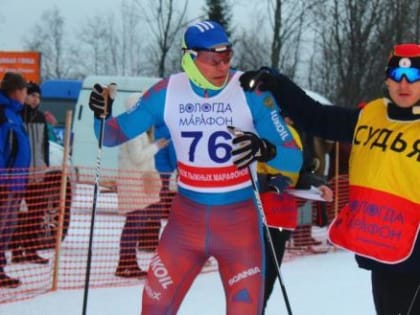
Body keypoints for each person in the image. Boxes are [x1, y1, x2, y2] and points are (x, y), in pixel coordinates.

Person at [88, 20, 303, 314]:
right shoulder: (167, 91)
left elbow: (293, 158)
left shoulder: (250, 92)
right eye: (214, 58)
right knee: (154, 308)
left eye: (228, 55)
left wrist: (264, 149)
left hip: (238, 225)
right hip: (185, 224)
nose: (223, 65)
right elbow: (111, 135)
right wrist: (99, 114)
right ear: (189, 57)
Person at [239, 43, 420, 315]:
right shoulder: (370, 116)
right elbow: (317, 117)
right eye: (396, 76)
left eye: (414, 77)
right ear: (387, 78)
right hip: (384, 248)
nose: (403, 84)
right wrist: (277, 83)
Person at [115, 93, 170, 278]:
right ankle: (125, 264)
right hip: (132, 182)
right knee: (134, 222)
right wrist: (156, 147)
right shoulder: (132, 130)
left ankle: (128, 262)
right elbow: (137, 157)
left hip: (140, 180)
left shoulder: (138, 128)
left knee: (138, 221)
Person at [10, 82, 50, 265]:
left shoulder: (41, 117)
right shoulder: (18, 116)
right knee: (18, 213)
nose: (35, 99)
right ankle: (17, 249)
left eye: (38, 96)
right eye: (32, 95)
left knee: (36, 212)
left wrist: (45, 164)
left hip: (37, 173)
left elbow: (44, 144)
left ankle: (31, 248)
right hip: (21, 173)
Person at [0, 72, 31, 288]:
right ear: (16, 91)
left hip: (15, 182)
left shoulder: (15, 114)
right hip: (5, 182)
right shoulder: (3, 114)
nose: (26, 94)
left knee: (7, 229)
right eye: (25, 90)